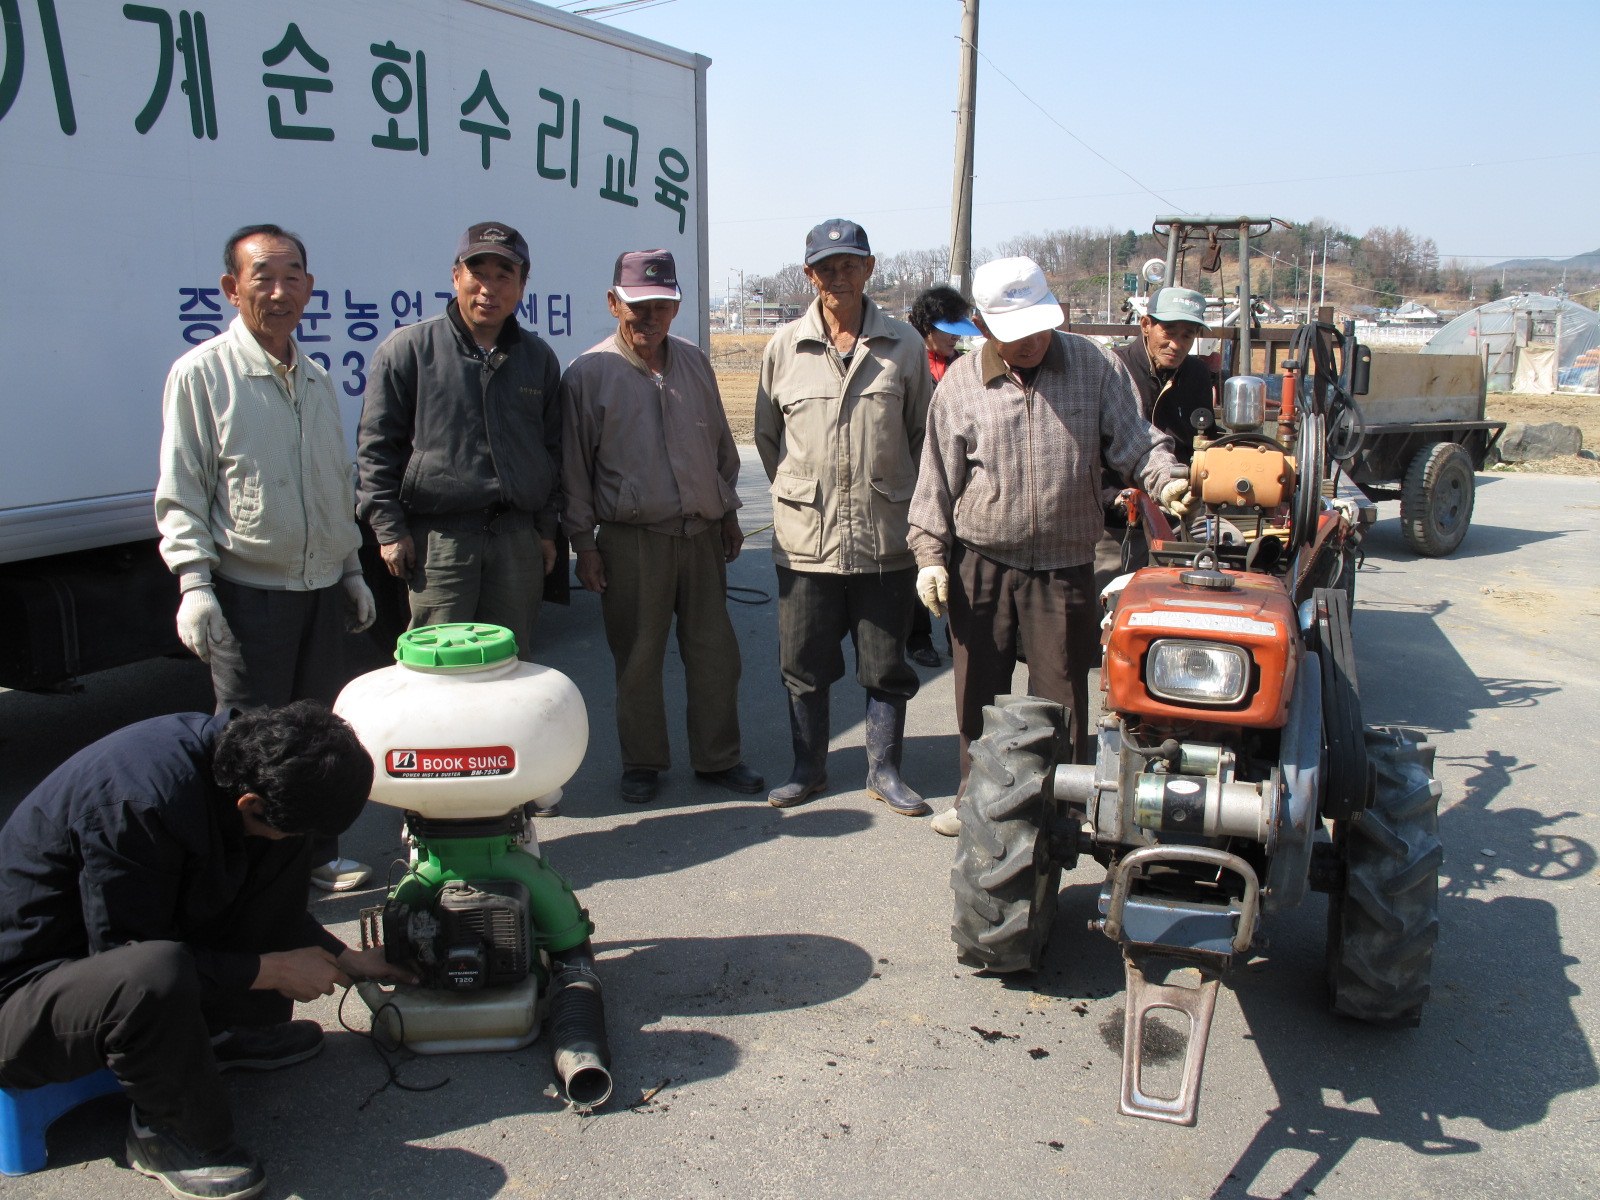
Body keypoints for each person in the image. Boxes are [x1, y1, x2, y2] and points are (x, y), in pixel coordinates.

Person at [0, 703, 415, 1200]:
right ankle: (165, 1133)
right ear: (247, 804)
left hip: (103, 958)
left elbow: (259, 883)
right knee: (156, 970)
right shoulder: (138, 804)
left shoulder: (249, 762)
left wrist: (341, 955)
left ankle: (217, 1033)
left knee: (281, 847)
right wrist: (266, 969)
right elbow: (125, 956)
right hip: (24, 997)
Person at [907, 257, 1192, 836]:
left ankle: (1061, 811)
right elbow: (936, 479)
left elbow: (1137, 443)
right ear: (985, 326)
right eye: (1014, 331)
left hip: (1065, 564)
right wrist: (930, 557)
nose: (1032, 341)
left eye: (1039, 325)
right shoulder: (962, 384)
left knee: (1060, 699)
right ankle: (974, 802)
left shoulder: (1093, 365)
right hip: (981, 564)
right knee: (977, 698)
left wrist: (1168, 477)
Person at [156, 223, 376, 893]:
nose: (279, 292)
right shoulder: (202, 375)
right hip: (250, 594)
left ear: (309, 287)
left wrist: (351, 570)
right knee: (248, 745)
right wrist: (195, 585)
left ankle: (314, 858)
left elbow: (334, 484)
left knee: (317, 736)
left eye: (292, 277)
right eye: (263, 278)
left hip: (317, 589)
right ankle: (238, 877)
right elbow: (182, 489)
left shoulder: (313, 378)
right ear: (232, 288)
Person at [560, 250, 763, 805]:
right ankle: (643, 761)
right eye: (637, 307)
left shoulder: (695, 362)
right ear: (613, 303)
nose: (649, 319)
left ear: (675, 308)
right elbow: (574, 471)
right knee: (638, 657)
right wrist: (585, 546)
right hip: (632, 540)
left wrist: (727, 513)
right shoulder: (588, 374)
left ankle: (718, 757)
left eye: (662, 307)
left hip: (698, 536)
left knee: (715, 654)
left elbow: (721, 446)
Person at [754, 219, 933, 818]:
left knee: (885, 665)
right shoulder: (783, 346)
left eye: (850, 264)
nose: (838, 276)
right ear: (809, 274)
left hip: (884, 536)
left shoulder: (903, 345)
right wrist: (805, 493)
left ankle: (884, 771)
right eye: (826, 267)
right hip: (807, 540)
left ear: (870, 268)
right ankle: (808, 768)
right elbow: (767, 438)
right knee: (802, 665)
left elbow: (919, 438)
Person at [357, 222, 563, 662]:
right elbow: (376, 451)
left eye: (504, 275)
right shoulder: (408, 349)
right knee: (439, 667)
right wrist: (389, 531)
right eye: (478, 272)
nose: (489, 288)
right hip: (441, 544)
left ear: (522, 286)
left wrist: (547, 530)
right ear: (456, 277)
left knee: (511, 663)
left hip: (516, 541)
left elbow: (552, 451)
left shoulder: (537, 358)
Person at [1096, 286, 1217, 593]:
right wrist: (1112, 497)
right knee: (1106, 605)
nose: (1176, 344)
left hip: (1177, 511)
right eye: (1169, 331)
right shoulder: (1112, 368)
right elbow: (1088, 447)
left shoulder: (1197, 374)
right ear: (1146, 325)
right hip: (1114, 520)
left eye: (1187, 335)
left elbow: (1203, 440)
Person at [904, 286, 981, 666]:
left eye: (958, 329)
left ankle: (957, 635)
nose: (955, 337)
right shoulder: (907, 361)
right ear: (925, 326)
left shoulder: (966, 367)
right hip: (913, 477)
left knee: (956, 559)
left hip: (958, 480)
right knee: (917, 558)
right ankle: (917, 637)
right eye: (948, 328)